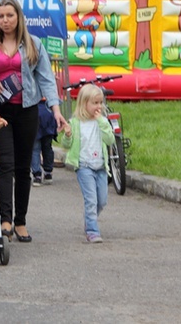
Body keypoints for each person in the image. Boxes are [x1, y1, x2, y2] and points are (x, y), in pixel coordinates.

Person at [0, 0, 67, 243]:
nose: (5, 20)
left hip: (27, 110)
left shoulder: (34, 44)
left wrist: (56, 110)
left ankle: (21, 221)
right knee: (5, 165)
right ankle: (5, 220)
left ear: (19, 17)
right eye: (1, 16)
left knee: (23, 167)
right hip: (0, 112)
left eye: (10, 16)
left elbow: (46, 79)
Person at [60, 84, 116, 243]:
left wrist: (103, 123)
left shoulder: (102, 121)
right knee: (91, 200)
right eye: (95, 103)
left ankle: (90, 220)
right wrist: (68, 135)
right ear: (84, 104)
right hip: (84, 167)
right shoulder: (76, 122)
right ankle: (92, 230)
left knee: (102, 200)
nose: (99, 106)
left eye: (100, 103)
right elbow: (66, 144)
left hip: (101, 167)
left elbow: (110, 139)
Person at [31, 100, 58, 186]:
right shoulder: (49, 98)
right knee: (47, 148)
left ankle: (37, 175)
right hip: (48, 119)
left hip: (34, 118)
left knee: (35, 150)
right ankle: (48, 172)